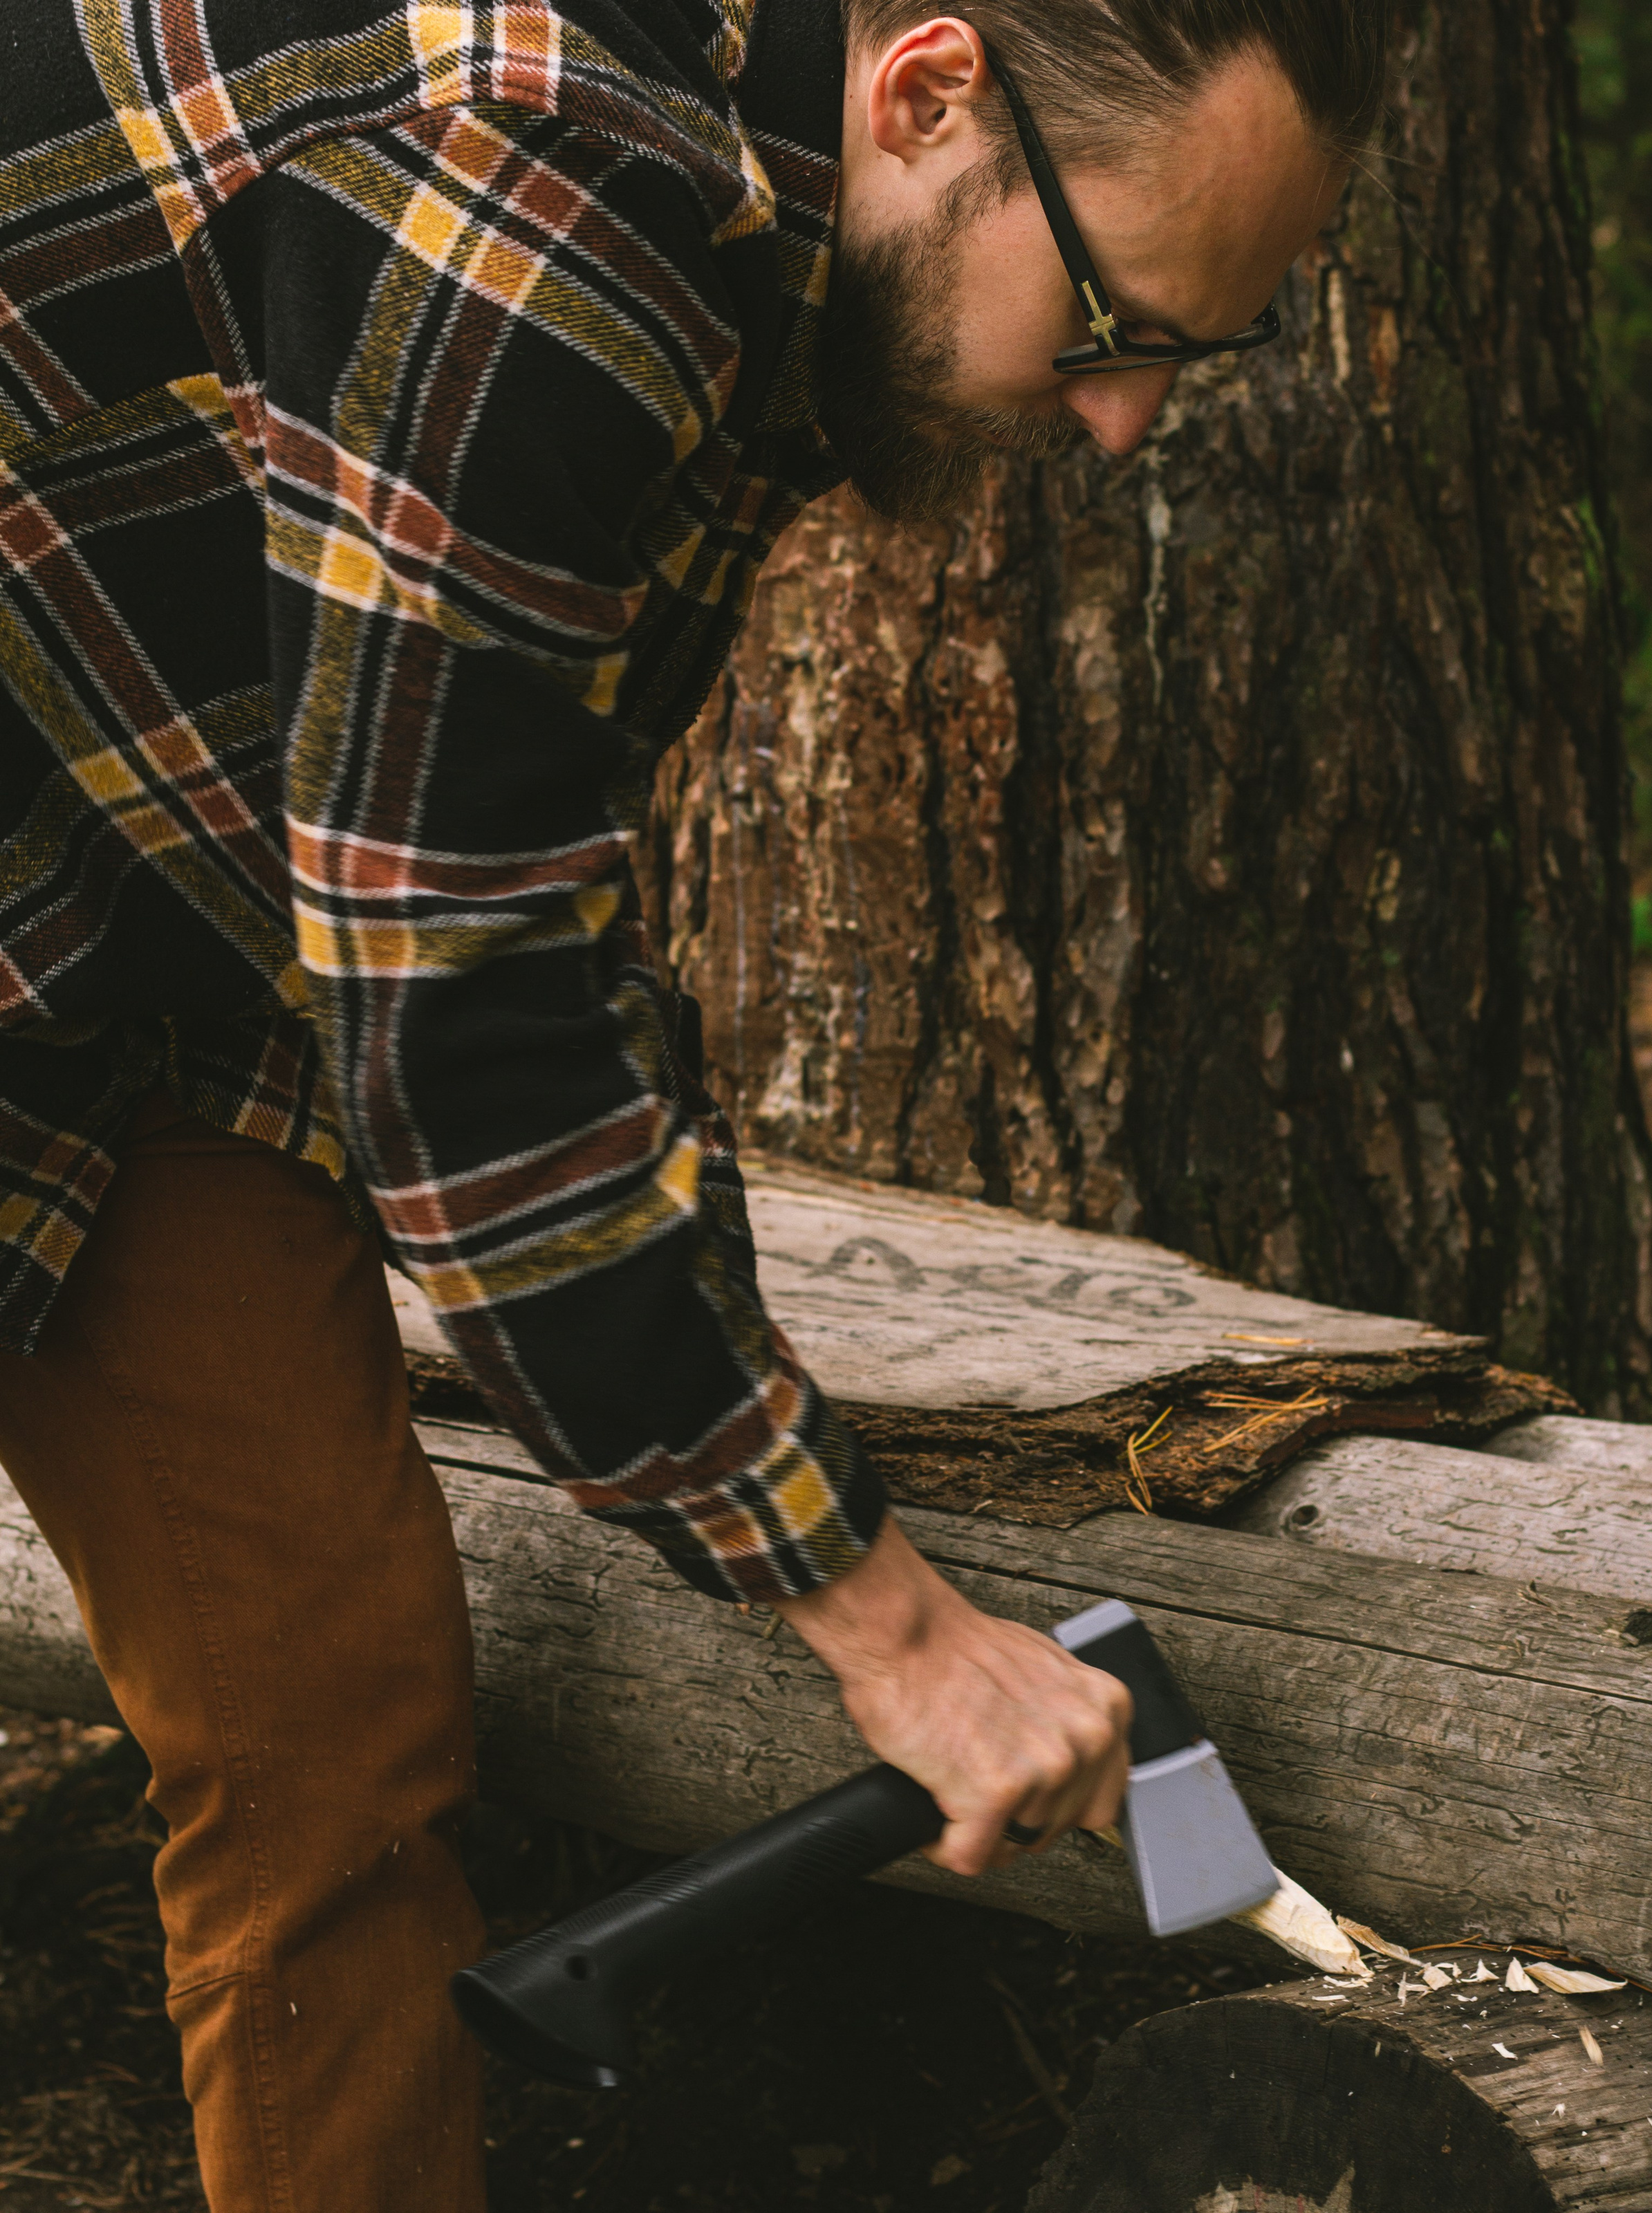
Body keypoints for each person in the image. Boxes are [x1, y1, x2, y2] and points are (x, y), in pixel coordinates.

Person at [0, 0, 1381, 2202]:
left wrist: (746, 1414)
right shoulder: (540, 177)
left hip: (126, 945)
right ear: (931, 92)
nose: (1124, 419)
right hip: (113, 924)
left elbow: (515, 892)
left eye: (1191, 356)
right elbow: (460, 1016)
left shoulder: (744, 245)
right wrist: (887, 1624)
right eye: (1119, 321)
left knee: (324, 1712)